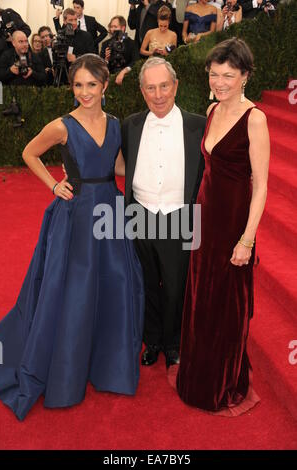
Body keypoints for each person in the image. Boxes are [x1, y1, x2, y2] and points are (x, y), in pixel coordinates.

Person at [0, 54, 144, 421]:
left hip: (109, 210)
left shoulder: (114, 124)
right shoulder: (63, 125)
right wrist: (53, 184)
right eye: (78, 85)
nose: (84, 92)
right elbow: (29, 152)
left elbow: (118, 165)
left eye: (91, 85)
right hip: (76, 214)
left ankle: (107, 363)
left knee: (115, 282)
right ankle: (67, 368)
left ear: (105, 86)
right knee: (75, 290)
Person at [175, 38, 270, 416]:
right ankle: (197, 375)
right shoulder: (213, 110)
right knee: (200, 297)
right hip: (204, 217)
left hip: (233, 224)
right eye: (214, 74)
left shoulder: (256, 118)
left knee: (226, 304)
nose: (219, 82)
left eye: (228, 75)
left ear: (245, 76)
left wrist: (247, 239)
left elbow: (261, 184)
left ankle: (221, 382)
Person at [121, 57, 205, 369]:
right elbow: (119, 164)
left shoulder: (198, 125)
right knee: (145, 282)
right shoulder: (130, 125)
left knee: (175, 286)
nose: (158, 95)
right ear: (142, 91)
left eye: (164, 86)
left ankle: (173, 343)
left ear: (176, 86)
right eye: (151, 88)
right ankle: (152, 340)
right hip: (139, 214)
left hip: (180, 216)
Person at [100, 16, 139, 86]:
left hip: (127, 80)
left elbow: (136, 61)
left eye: (115, 27)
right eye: (111, 27)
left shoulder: (132, 44)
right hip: (109, 81)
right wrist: (106, 59)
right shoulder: (105, 44)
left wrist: (124, 71)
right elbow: (100, 65)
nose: (112, 29)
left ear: (123, 28)